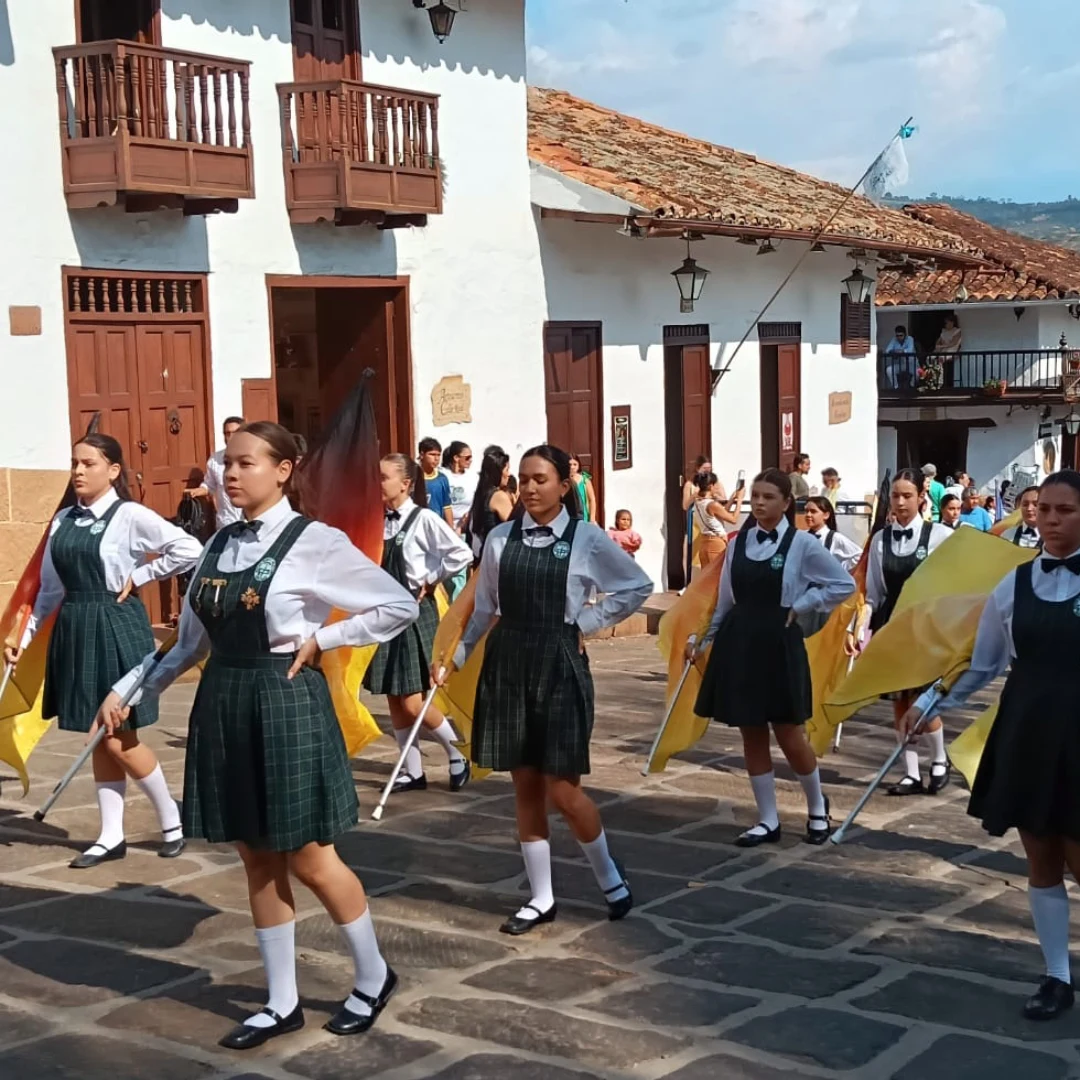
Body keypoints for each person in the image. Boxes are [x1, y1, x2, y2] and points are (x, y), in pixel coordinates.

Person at [97, 423, 418, 1049]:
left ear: (284, 470)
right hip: (225, 700)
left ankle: (374, 974)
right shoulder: (215, 545)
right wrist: (131, 689)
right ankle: (280, 1000)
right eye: (228, 464)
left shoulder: (314, 541)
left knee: (308, 854)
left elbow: (396, 603)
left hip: (284, 698)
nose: (233, 474)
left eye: (247, 463)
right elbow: (189, 644)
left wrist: (323, 639)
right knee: (254, 852)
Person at [438, 445, 652, 935]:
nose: (531, 488)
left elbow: (637, 586)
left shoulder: (587, 538)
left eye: (542, 479)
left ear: (562, 485)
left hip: (559, 661)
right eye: (525, 481)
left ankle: (609, 876)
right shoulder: (497, 540)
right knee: (525, 784)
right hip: (509, 662)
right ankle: (540, 897)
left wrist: (587, 621)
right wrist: (456, 658)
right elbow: (485, 608)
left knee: (563, 786)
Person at [900, 471, 1080, 1021]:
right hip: (1029, 729)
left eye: (1064, 510)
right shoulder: (1014, 585)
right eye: (1043, 509)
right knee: (1041, 854)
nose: (1050, 519)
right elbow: (984, 663)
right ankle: (1056, 975)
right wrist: (930, 704)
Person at [4, 434, 202, 868]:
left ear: (113, 470)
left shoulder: (129, 515)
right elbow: (51, 590)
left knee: (115, 735)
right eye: (75, 463)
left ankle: (171, 816)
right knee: (100, 737)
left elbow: (190, 548)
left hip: (115, 628)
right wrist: (25, 634)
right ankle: (111, 834)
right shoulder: (62, 522)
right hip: (76, 628)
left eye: (88, 463)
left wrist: (146, 573)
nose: (78, 471)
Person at [691, 469, 855, 846]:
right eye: (755, 496)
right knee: (751, 731)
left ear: (786, 503)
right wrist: (705, 639)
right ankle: (767, 819)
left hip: (779, 641)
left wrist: (804, 603)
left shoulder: (802, 544)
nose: (760, 503)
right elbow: (726, 599)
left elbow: (842, 584)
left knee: (789, 731)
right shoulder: (737, 542)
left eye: (768, 497)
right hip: (740, 641)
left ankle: (817, 806)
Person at [365, 454, 474, 793]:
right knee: (395, 698)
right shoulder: (379, 522)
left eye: (383, 477)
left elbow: (462, 554)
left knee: (413, 699)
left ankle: (457, 752)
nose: (377, 484)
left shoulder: (423, 518)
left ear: (405, 483)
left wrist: (432, 577)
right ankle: (411, 771)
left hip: (415, 614)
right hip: (387, 614)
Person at [851, 469, 954, 795]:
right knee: (899, 699)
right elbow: (875, 592)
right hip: (893, 625)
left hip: (926, 626)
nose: (900, 502)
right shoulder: (880, 540)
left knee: (924, 697)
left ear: (922, 498)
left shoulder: (940, 535)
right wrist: (860, 627)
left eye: (907, 495)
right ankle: (910, 772)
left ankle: (939, 758)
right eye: (895, 496)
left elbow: (955, 581)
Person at [185, 416, 245, 531]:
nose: (231, 437)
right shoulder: (215, 460)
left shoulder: (256, 459)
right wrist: (197, 491)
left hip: (250, 522)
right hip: (226, 523)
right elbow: (209, 485)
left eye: (235, 432)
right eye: (227, 433)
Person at [467, 446, 514, 560]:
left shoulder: (481, 494)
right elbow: (514, 528)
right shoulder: (499, 496)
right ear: (498, 472)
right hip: (499, 554)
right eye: (507, 469)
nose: (509, 474)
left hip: (485, 551)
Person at [693, 471, 739, 567]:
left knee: (707, 578)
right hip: (716, 543)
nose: (717, 488)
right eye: (716, 485)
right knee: (718, 578)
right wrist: (740, 501)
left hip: (705, 543)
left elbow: (721, 513)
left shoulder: (698, 502)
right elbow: (733, 519)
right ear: (710, 486)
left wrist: (732, 499)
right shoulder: (712, 504)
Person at [441, 441, 477, 534]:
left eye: (471, 457)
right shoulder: (443, 475)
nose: (470, 460)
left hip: (467, 527)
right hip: (444, 527)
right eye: (467, 458)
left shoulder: (473, 477)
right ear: (456, 458)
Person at [419, 437, 453, 527]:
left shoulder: (442, 479)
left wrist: (451, 530)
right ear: (422, 455)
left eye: (438, 455)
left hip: (437, 525)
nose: (436, 458)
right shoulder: (413, 477)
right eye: (432, 454)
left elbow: (447, 506)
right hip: (418, 525)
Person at [933, 314, 963, 387]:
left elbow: (954, 343)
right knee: (930, 358)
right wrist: (938, 346)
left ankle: (941, 381)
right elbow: (938, 341)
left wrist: (943, 346)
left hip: (952, 350)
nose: (946, 324)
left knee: (941, 359)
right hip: (943, 349)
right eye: (945, 323)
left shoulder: (957, 331)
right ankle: (932, 379)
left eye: (947, 322)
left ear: (952, 322)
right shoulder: (944, 331)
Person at [568, 453, 598, 523]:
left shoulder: (585, 480)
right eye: (570, 465)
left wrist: (592, 518)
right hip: (569, 515)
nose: (572, 467)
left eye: (575, 464)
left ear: (579, 466)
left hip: (583, 515)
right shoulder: (563, 480)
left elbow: (592, 499)